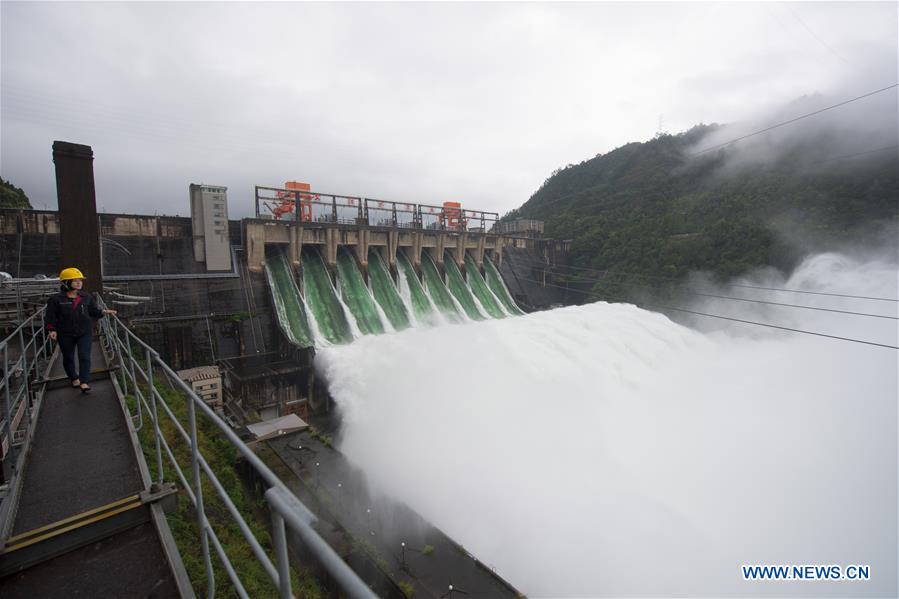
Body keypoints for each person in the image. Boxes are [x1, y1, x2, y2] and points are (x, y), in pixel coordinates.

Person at [45, 267, 116, 393]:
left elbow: (93, 311)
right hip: (65, 333)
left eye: (80, 280)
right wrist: (52, 330)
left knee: (84, 356)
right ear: (66, 283)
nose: (79, 283)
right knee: (68, 357)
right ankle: (73, 377)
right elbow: (51, 316)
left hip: (84, 332)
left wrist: (103, 312)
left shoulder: (86, 297)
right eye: (75, 280)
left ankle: (84, 381)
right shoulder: (56, 300)